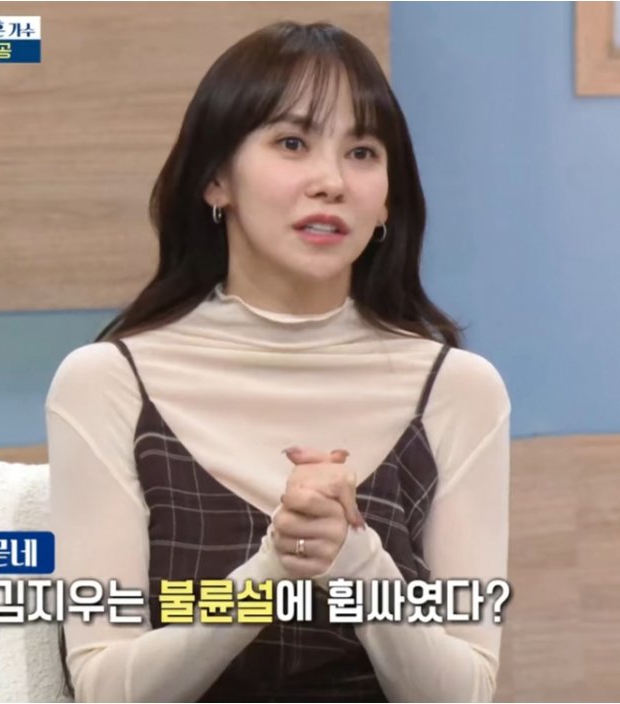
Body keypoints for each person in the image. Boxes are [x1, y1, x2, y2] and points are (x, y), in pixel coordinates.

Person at [46, 20, 511, 703]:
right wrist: (270, 572)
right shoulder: (109, 383)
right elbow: (105, 688)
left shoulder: (458, 390)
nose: (331, 181)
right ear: (216, 179)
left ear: (387, 198)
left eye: (362, 152)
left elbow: (464, 693)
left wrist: (357, 561)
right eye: (293, 143)